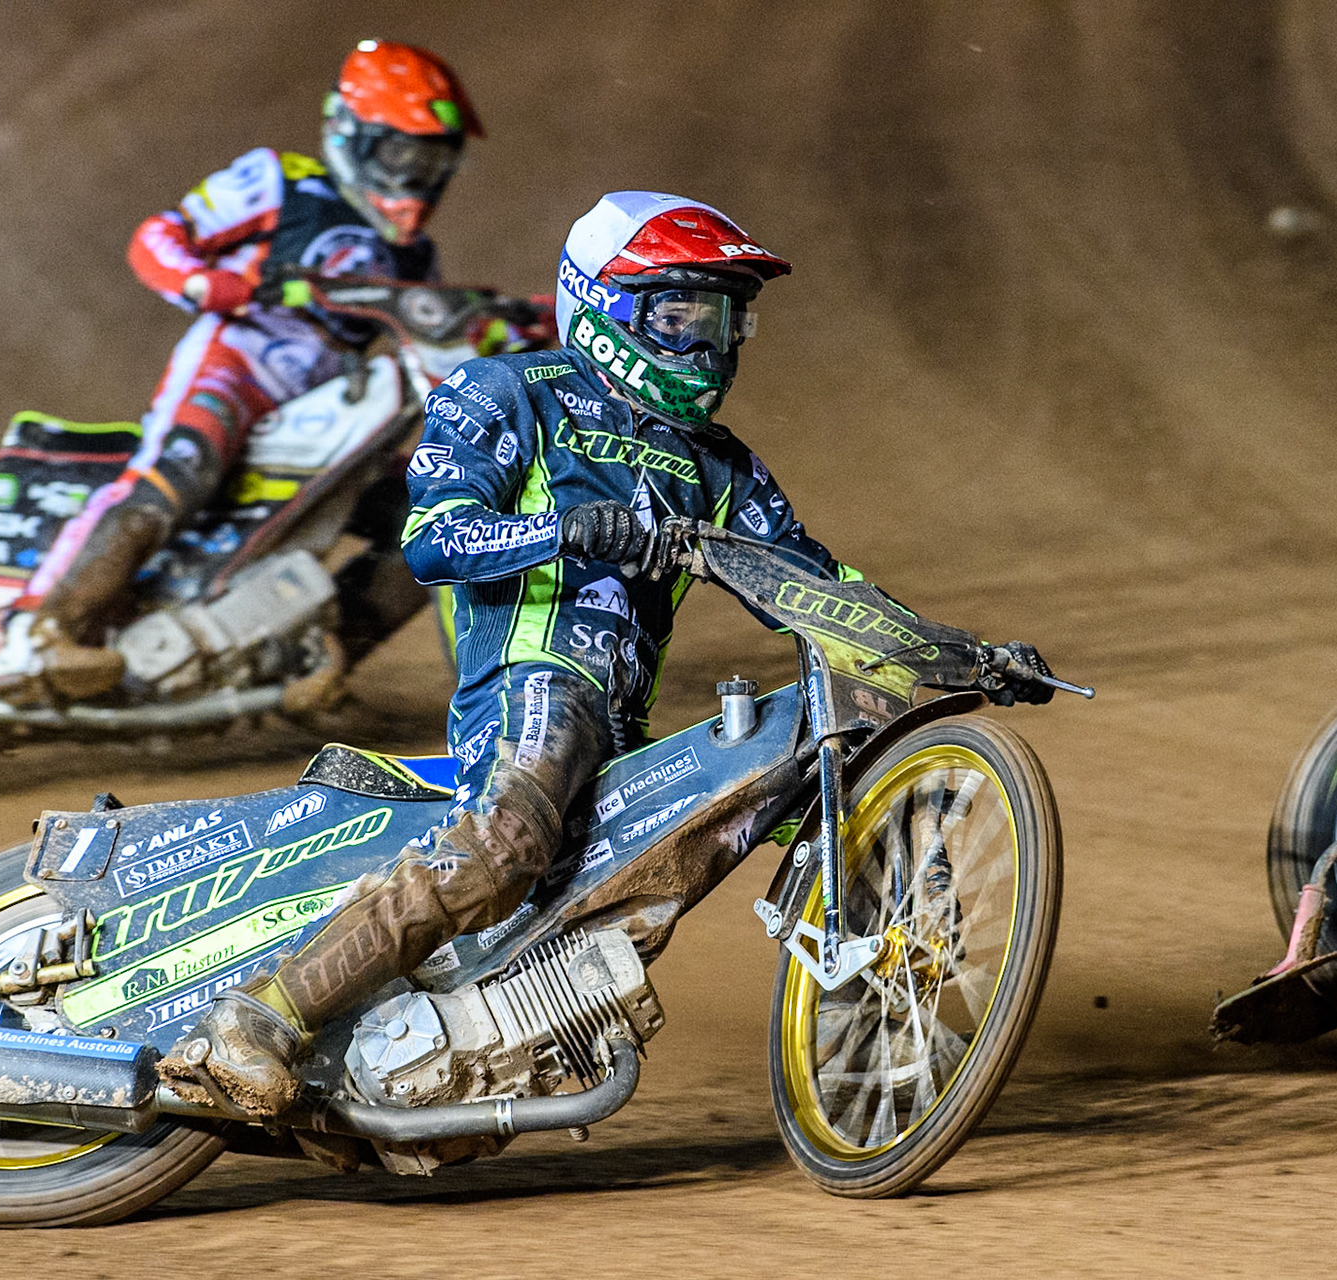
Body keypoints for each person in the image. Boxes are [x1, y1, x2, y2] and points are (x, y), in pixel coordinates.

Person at [158, 190, 1052, 1116]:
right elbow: (432, 542)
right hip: (534, 679)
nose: (710, 345)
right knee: (510, 842)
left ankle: (881, 1043)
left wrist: (954, 653)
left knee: (677, 863)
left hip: (620, 727)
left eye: (727, 319)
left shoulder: (722, 467)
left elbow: (819, 590)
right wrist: (568, 529)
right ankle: (260, 1016)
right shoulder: (510, 392)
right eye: (682, 313)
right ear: (605, 305)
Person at [0, 40, 482, 701]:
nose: (418, 176)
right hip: (236, 362)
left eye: (434, 160)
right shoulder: (283, 180)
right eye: (403, 154)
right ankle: (37, 634)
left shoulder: (416, 257)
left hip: (323, 401)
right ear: (353, 132)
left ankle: (317, 665)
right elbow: (158, 237)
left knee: (425, 519)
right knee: (182, 468)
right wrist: (204, 283)